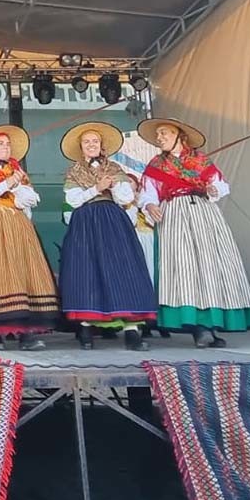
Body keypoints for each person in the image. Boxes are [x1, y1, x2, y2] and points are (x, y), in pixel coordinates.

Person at [138, 117, 250, 347]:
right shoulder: (155, 165)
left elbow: (221, 184)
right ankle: (198, 327)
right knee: (183, 269)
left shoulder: (201, 161)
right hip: (174, 214)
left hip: (204, 213)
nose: (160, 137)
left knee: (212, 265)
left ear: (179, 136)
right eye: (159, 135)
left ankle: (212, 324)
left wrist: (214, 189)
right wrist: (150, 205)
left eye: (165, 133)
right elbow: (147, 192)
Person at [58, 122, 156, 351]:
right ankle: (85, 329)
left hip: (112, 219)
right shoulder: (74, 171)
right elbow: (72, 200)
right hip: (85, 221)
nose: (91, 145)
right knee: (86, 273)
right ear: (81, 148)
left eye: (95, 141)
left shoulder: (114, 168)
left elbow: (124, 198)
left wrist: (110, 187)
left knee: (124, 270)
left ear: (101, 146)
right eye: (86, 142)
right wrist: (96, 188)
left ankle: (132, 331)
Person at [0, 125, 58, 351]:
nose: (6, 147)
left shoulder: (18, 172)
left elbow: (31, 199)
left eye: (8, 144)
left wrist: (15, 188)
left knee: (21, 273)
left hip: (17, 224)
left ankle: (24, 332)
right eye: (1, 144)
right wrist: (6, 185)